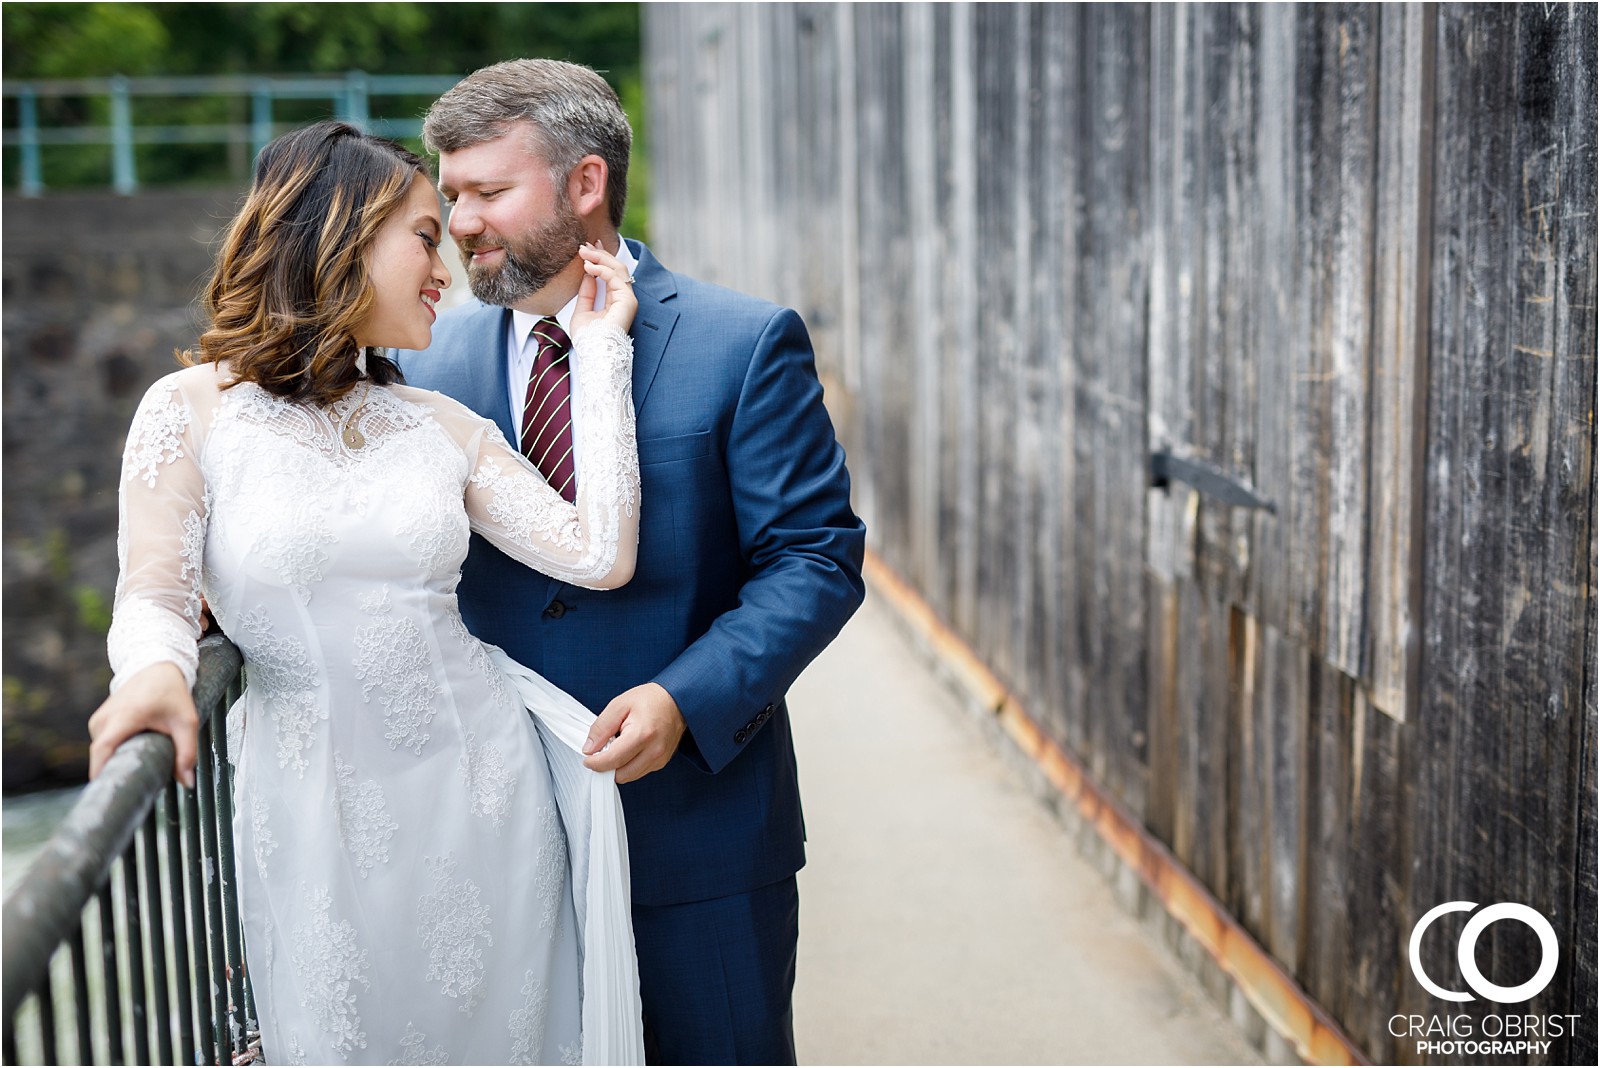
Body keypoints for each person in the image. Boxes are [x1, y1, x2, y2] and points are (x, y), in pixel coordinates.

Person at [86, 120, 647, 1065]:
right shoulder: (188, 413)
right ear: (339, 231)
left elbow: (599, 553)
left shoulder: (438, 423)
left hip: (488, 795)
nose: (450, 266)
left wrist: (598, 356)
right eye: (427, 236)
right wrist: (152, 674)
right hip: (313, 813)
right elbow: (153, 593)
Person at [398, 59, 866, 1064]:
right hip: (484, 836)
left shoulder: (742, 343)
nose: (461, 222)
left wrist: (683, 699)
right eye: (452, 193)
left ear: (583, 185)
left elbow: (815, 559)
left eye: (488, 191)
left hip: (695, 827)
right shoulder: (422, 357)